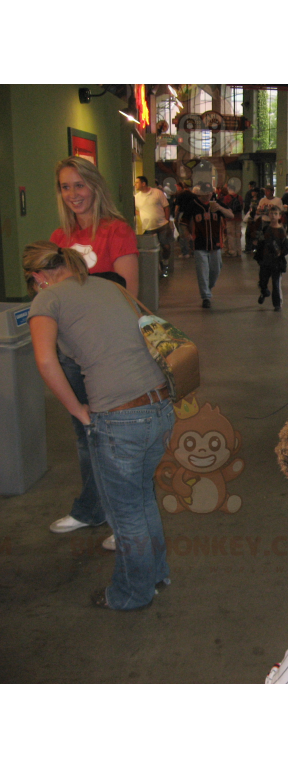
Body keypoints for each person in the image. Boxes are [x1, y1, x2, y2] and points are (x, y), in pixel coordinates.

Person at [24, 242, 175, 610]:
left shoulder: (47, 299)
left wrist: (78, 410)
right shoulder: (108, 285)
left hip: (120, 417)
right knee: (142, 500)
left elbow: (46, 362)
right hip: (160, 406)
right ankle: (155, 574)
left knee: (126, 516)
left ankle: (130, 594)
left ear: (38, 277)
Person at [48, 156, 140, 549]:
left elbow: (129, 295)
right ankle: (91, 508)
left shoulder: (116, 232)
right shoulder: (58, 238)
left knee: (115, 440)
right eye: (65, 187)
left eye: (79, 186)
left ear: (95, 187)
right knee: (86, 435)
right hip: (71, 352)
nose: (73, 195)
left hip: (107, 355)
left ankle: (128, 523)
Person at [186, 182, 234, 308]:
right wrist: (187, 234)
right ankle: (206, 297)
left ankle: (208, 287)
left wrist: (220, 208)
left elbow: (231, 215)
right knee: (202, 271)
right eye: (205, 193)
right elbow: (184, 221)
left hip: (216, 243)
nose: (207, 196)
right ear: (200, 194)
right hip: (199, 243)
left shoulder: (216, 204)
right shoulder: (193, 205)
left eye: (209, 193)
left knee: (216, 269)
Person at [134, 175, 173, 277]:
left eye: (137, 182)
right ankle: (156, 267)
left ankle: (165, 263)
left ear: (144, 183)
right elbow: (137, 210)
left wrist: (167, 220)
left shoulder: (157, 193)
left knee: (165, 245)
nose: (135, 185)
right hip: (148, 228)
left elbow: (166, 206)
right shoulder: (137, 197)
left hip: (162, 225)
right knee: (151, 250)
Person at [254, 206, 288, 311]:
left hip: (276, 262)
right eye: (271, 213)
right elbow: (260, 242)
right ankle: (264, 292)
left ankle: (277, 304)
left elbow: (286, 247)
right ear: (268, 215)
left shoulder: (281, 231)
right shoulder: (265, 229)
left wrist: (280, 253)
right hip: (265, 261)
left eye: (275, 214)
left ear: (279, 216)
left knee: (276, 283)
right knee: (262, 281)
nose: (273, 216)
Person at [174, 181, 196, 259]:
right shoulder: (194, 196)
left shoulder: (180, 195)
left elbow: (177, 208)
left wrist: (176, 217)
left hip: (182, 215)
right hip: (192, 215)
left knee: (183, 234)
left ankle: (185, 253)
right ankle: (193, 251)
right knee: (192, 233)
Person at [221, 184, 244, 257]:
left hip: (230, 218)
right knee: (237, 234)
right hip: (238, 218)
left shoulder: (227, 197)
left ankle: (232, 251)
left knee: (231, 235)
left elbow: (224, 209)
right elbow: (242, 207)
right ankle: (239, 251)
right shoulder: (239, 197)